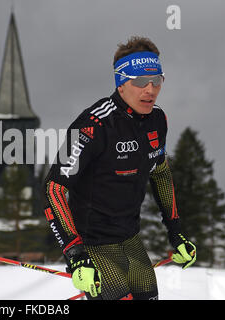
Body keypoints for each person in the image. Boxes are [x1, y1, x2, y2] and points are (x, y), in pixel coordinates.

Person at [42, 36, 196, 300]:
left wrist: (176, 232)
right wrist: (75, 253)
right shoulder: (92, 125)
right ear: (121, 83)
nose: (150, 90)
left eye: (156, 80)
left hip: (131, 240)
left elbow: (159, 173)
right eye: (140, 82)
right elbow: (53, 189)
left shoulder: (157, 120)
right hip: (93, 245)